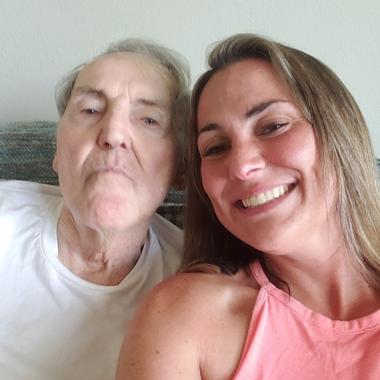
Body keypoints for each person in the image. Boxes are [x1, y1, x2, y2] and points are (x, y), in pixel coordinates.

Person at [116, 34, 380, 379]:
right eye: (215, 147)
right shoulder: (186, 318)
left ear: (338, 132)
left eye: (273, 126)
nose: (241, 166)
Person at [0, 38, 189, 380]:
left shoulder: (194, 284)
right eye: (89, 110)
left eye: (148, 119)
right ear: (58, 150)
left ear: (179, 167)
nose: (114, 133)